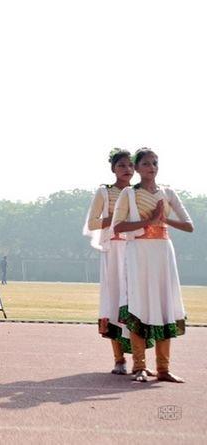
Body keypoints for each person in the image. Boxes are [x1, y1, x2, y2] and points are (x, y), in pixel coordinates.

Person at [112, 148, 194, 383]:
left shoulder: (167, 192)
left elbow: (189, 226)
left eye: (155, 163)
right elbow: (117, 227)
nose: (152, 167)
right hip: (139, 253)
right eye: (146, 163)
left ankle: (164, 369)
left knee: (164, 304)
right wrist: (149, 220)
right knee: (140, 303)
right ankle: (139, 366)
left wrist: (162, 218)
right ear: (137, 168)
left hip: (163, 253)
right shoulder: (128, 193)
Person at [83, 148, 142, 375]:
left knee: (137, 303)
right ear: (113, 169)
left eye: (130, 165)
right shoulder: (105, 192)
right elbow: (92, 223)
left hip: (136, 250)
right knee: (114, 302)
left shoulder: (140, 192)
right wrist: (117, 219)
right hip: (113, 251)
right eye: (121, 166)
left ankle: (140, 361)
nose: (127, 170)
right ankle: (119, 360)